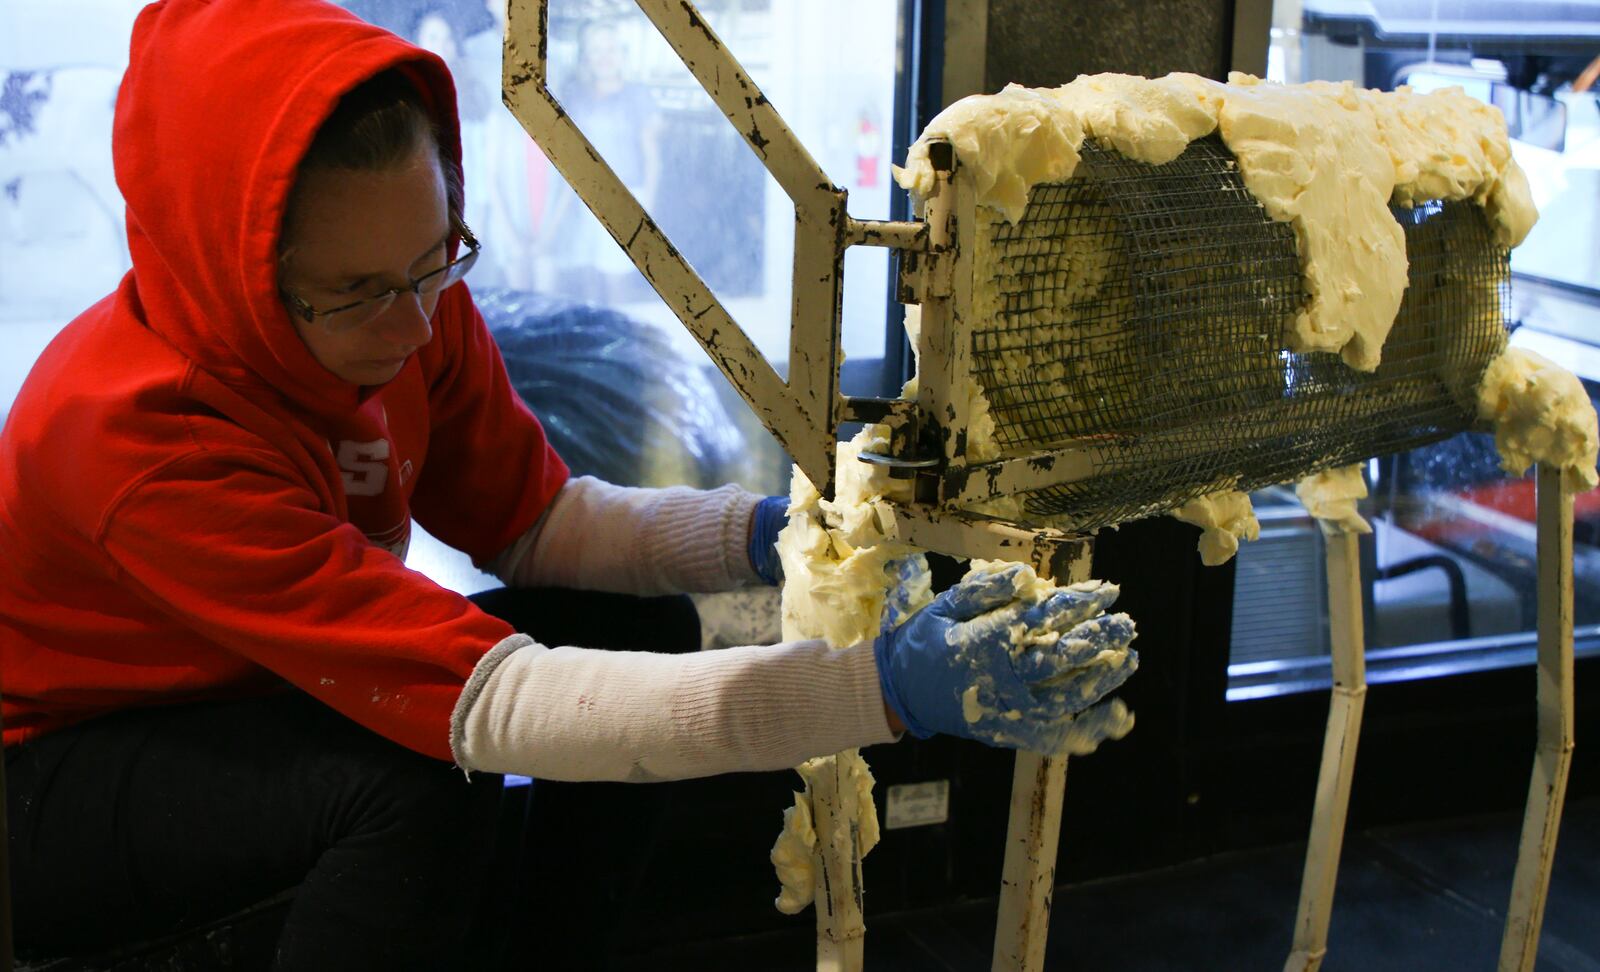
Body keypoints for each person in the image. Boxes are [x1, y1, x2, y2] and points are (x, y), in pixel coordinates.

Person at [0, 0, 1138, 967]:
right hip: (67, 769)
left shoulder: (410, 308)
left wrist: (771, 531)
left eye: (433, 261)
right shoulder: (135, 436)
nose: (412, 323)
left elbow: (539, 526)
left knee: (631, 619)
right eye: (353, 293)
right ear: (234, 274)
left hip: (259, 689)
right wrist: (878, 691)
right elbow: (493, 705)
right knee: (411, 780)